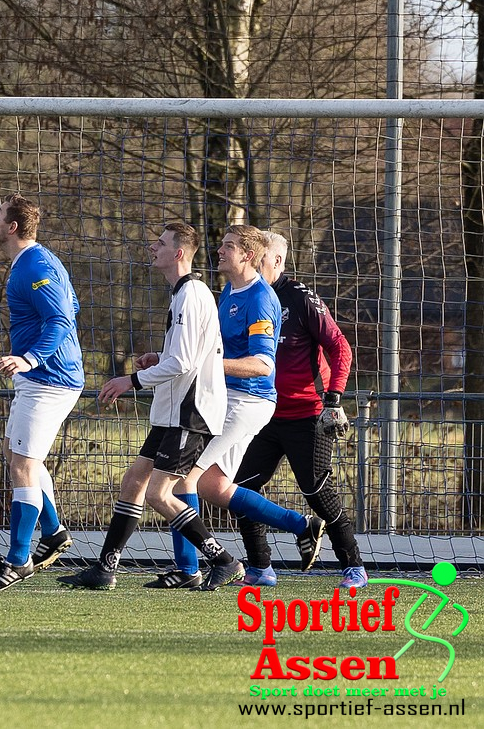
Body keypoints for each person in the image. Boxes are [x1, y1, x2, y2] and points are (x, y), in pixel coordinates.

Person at [60, 223, 244, 591]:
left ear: (178, 253)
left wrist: (129, 381)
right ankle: (104, 568)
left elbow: (184, 363)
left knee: (161, 495)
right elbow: (182, 356)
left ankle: (224, 561)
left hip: (190, 412)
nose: (151, 247)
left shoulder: (192, 295)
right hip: (172, 412)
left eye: (159, 243)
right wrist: (158, 358)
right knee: (133, 484)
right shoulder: (184, 294)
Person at [161, 225, 325, 588]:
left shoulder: (261, 298)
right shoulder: (228, 291)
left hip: (249, 400)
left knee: (182, 478)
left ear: (248, 256)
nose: (220, 250)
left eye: (229, 246)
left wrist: (206, 364)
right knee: (215, 488)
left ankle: (189, 568)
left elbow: (263, 365)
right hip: (227, 397)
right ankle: (301, 525)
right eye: (221, 244)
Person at [235, 230, 365, 589]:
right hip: (261, 412)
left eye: (258, 256)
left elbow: (340, 346)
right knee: (241, 487)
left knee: (317, 492)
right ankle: (260, 567)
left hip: (306, 414)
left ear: (276, 260)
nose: (251, 262)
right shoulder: (244, 296)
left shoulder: (301, 299)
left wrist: (334, 400)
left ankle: (354, 566)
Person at [0, 195, 83, 592]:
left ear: (12, 227)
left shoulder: (35, 265)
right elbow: (73, 306)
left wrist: (31, 358)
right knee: (16, 453)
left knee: (22, 463)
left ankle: (17, 560)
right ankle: (53, 531)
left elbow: (60, 317)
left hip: (49, 378)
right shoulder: (33, 262)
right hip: (46, 377)